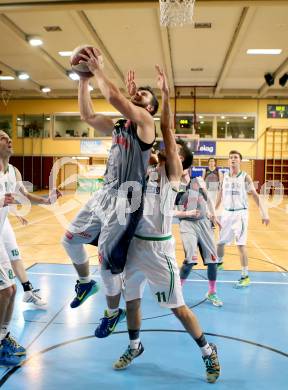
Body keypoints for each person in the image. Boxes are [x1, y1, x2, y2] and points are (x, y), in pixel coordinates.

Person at [112, 66, 220, 384]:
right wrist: (131, 93)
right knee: (130, 300)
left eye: (172, 151)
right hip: (134, 245)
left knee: (179, 309)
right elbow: (131, 127)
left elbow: (168, 131)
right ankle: (134, 345)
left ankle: (208, 351)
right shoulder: (144, 166)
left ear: (181, 162)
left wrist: (166, 96)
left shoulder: (172, 175)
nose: (164, 149)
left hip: (159, 250)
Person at [62, 48, 158, 338]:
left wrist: (98, 69)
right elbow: (87, 115)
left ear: (151, 109)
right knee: (69, 240)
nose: (138, 94)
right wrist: (83, 79)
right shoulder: (119, 125)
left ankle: (113, 313)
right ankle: (84, 282)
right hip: (104, 194)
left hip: (126, 201)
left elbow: (116, 98)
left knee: (107, 263)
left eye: (144, 95)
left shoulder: (146, 124)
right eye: (137, 92)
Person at [0, 130, 61, 306]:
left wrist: (47, 201)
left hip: (3, 223)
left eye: (9, 138)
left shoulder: (14, 171)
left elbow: (24, 195)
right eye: (3, 138)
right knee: (7, 284)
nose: (9, 140)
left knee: (14, 254)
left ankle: (27, 291)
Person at [216, 150, 270, 288]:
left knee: (240, 245)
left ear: (240, 161)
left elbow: (255, 196)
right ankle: (220, 263)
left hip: (240, 214)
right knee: (220, 242)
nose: (233, 159)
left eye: (235, 157)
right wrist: (215, 210)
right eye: (230, 158)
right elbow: (220, 193)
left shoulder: (245, 177)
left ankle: (245, 276)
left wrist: (264, 213)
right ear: (228, 161)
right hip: (226, 213)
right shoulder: (225, 176)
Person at [175, 168, 223, 307]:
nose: (182, 169)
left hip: (204, 224)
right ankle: (176, 293)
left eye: (184, 167)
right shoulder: (174, 186)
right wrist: (186, 213)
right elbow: (170, 210)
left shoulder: (198, 181)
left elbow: (208, 201)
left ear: (188, 169)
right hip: (187, 224)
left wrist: (213, 215)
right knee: (189, 261)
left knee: (213, 260)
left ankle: (212, 292)